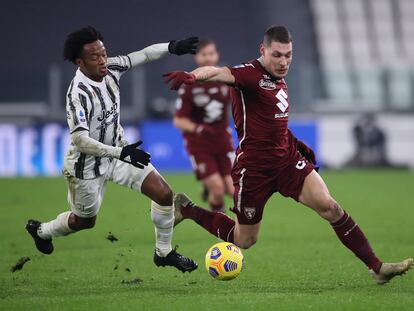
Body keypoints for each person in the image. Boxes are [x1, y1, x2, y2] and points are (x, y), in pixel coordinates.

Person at [163, 25, 413, 283]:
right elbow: (217, 72)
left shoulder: (278, 78)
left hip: (286, 161)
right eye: (277, 55)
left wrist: (293, 141)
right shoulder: (248, 74)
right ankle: (187, 209)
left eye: (288, 55)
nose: (284, 62)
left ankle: (377, 267)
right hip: (255, 169)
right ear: (263, 50)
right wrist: (193, 77)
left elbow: (271, 121)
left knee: (330, 207)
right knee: (244, 239)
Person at [26, 26, 199, 273]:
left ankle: (164, 252)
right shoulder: (78, 94)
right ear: (80, 62)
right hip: (85, 168)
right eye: (94, 57)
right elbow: (80, 141)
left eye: (104, 53)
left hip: (120, 152)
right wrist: (120, 153)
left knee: (163, 194)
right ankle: (42, 231)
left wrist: (172, 47)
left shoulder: (112, 68)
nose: (102, 60)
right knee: (85, 221)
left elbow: (143, 55)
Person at [173, 40, 234, 212]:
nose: (208, 58)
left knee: (233, 189)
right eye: (203, 54)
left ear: (217, 55)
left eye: (211, 53)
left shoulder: (226, 78)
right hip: (200, 143)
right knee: (218, 189)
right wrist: (199, 129)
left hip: (223, 139)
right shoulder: (189, 84)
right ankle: (222, 227)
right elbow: (179, 120)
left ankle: (240, 231)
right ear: (196, 57)